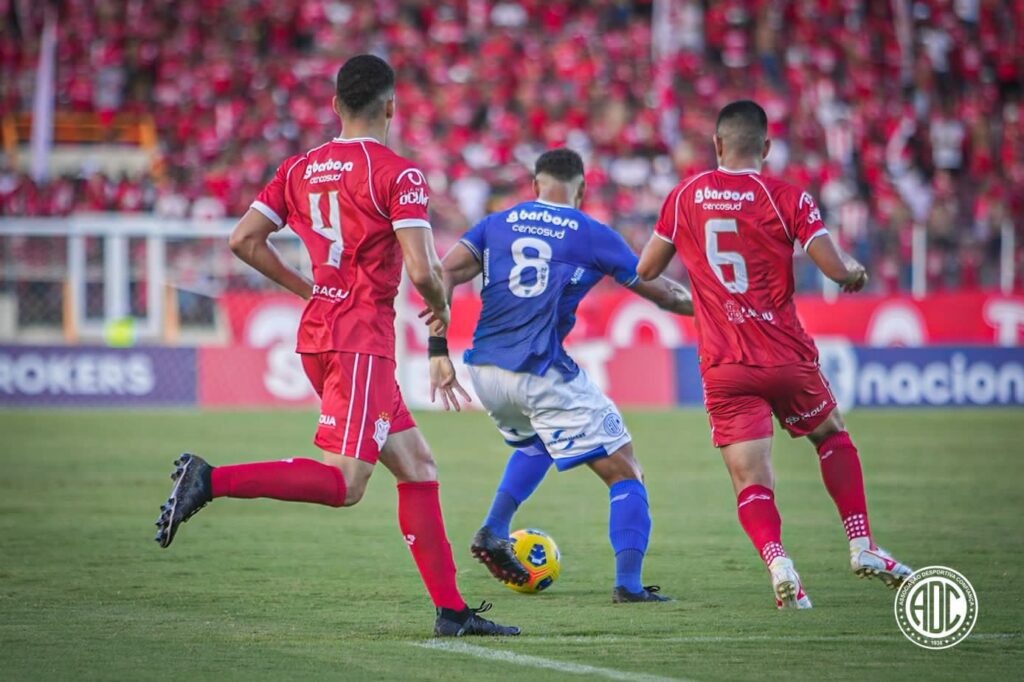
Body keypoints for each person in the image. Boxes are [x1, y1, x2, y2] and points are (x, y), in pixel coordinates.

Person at [153, 54, 519, 637]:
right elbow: (424, 270)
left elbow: (244, 240)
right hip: (360, 342)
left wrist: (309, 288)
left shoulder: (299, 168)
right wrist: (441, 317)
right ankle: (210, 479)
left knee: (419, 465)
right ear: (392, 106)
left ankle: (452, 612)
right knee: (345, 485)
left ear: (334, 106)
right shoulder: (400, 174)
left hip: (324, 333)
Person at [636, 100, 913, 609]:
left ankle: (779, 562)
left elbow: (648, 268)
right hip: (785, 357)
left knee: (751, 477)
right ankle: (861, 544)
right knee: (831, 436)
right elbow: (834, 268)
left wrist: (700, 289)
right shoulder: (787, 196)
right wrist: (854, 272)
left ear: (717, 145)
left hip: (725, 365)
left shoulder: (685, 196)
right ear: (765, 147)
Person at [426, 148, 694, 603]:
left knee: (538, 442)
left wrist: (436, 349)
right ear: (582, 189)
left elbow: (441, 272)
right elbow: (664, 293)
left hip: (485, 370)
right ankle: (629, 586)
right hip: (539, 370)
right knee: (626, 470)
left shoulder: (497, 223)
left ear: (534, 185)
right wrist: (717, 308)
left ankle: (493, 528)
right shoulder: (591, 233)